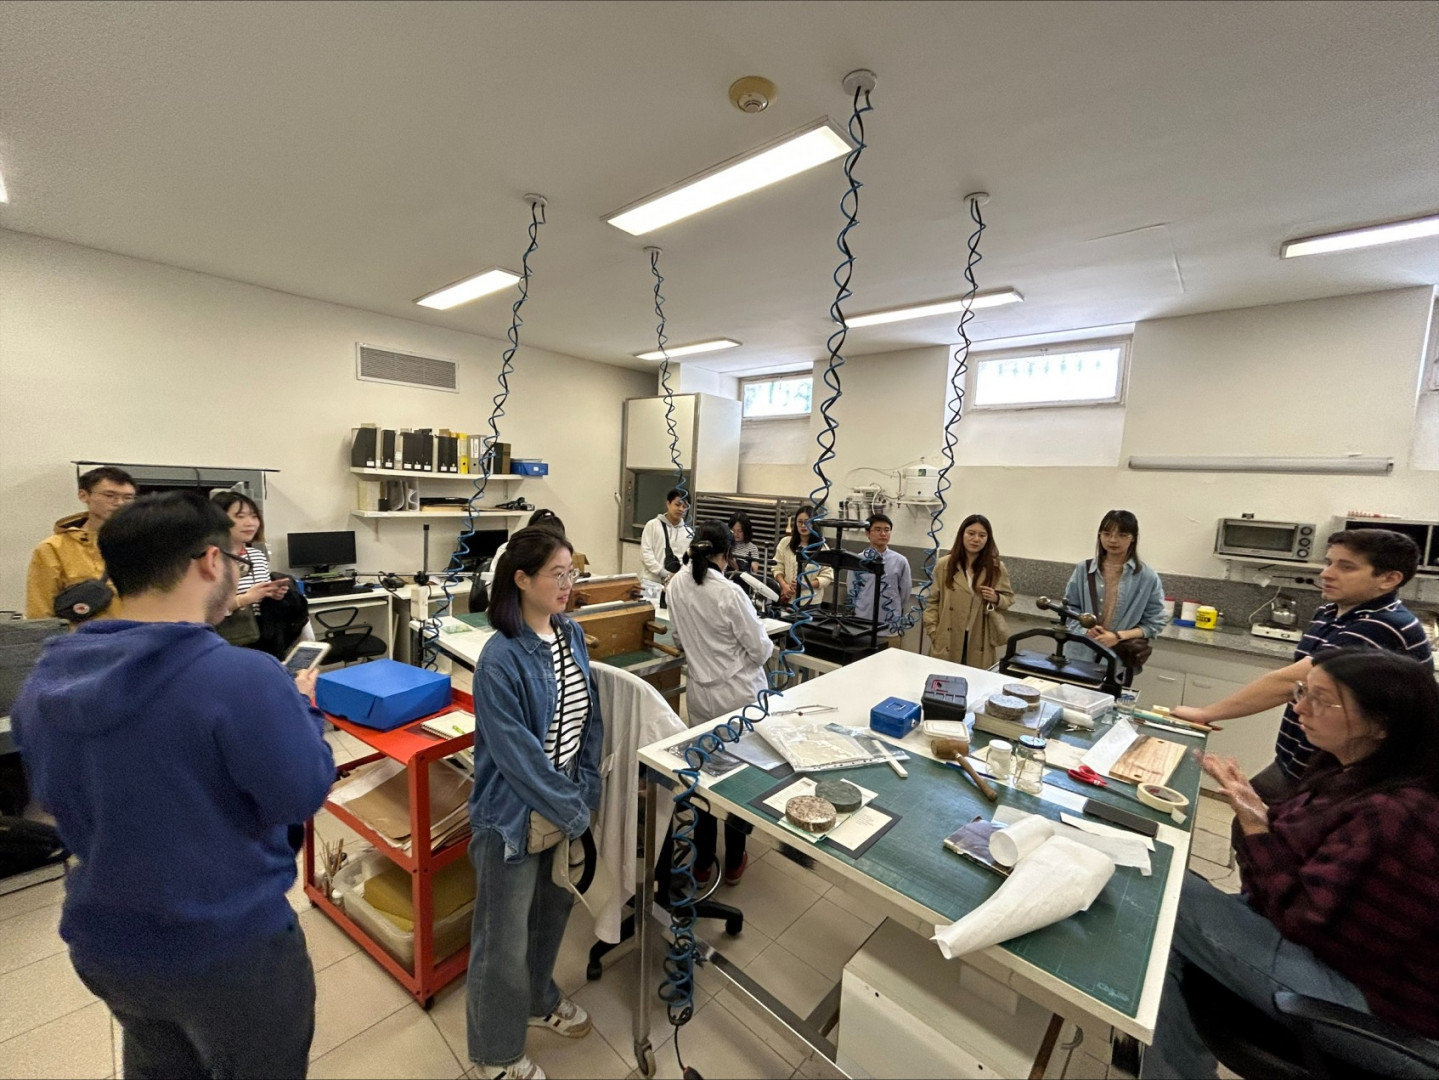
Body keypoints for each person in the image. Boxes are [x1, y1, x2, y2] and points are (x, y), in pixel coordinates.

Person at [12, 492, 335, 1079]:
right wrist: (302, 709)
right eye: (239, 558)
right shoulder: (240, 676)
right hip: (227, 948)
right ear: (212, 562)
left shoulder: (49, 676)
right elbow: (301, 794)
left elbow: (62, 798)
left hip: (106, 942)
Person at [1141, 650, 1439, 1078]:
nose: (1298, 707)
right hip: (1325, 955)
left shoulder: (1397, 813)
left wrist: (1254, 822)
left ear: (1380, 724)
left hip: (1367, 1005)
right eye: (1302, 693)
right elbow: (1286, 870)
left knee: (1165, 892)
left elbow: (1303, 918)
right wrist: (1258, 817)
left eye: (1320, 699)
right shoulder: (1347, 773)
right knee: (1172, 928)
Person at [467, 526, 602, 1080]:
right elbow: (517, 757)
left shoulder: (569, 635)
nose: (568, 584)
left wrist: (586, 790)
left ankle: (538, 1000)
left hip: (565, 800)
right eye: (557, 574)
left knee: (552, 914)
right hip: (511, 818)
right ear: (521, 580)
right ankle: (493, 1054)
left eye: (572, 572)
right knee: (502, 939)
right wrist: (574, 812)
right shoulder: (499, 660)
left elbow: (589, 721)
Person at [1170, 528, 1432, 805]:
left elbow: (1289, 682)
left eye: (1346, 567)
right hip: (1300, 761)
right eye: (1329, 562)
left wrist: (1205, 712)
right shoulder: (1330, 611)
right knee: (1250, 823)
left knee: (1272, 837)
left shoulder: (1383, 624)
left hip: (1347, 776)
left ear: (1389, 579)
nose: (1326, 574)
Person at [666, 521, 776, 886]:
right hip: (738, 697)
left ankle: (700, 862)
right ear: (727, 555)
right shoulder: (730, 593)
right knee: (737, 782)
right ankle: (733, 861)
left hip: (699, 695)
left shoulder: (676, 584)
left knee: (706, 778)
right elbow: (760, 651)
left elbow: (680, 637)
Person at [1061, 509, 1168, 676]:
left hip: (1117, 659)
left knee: (1112, 700)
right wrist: (1085, 629)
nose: (1113, 540)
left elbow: (1155, 622)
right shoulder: (1084, 569)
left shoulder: (1146, 576)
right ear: (1100, 535)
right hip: (1079, 654)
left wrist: (1117, 636)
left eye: (1122, 534)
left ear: (1133, 537)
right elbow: (1068, 610)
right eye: (1107, 533)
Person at [25, 465, 136, 620]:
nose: (119, 503)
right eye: (110, 495)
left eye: (128, 498)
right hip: (81, 641)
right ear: (84, 496)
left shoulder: (146, 545)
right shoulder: (53, 548)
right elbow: (40, 613)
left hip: (139, 639)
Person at [923, 514, 1015, 669]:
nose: (976, 539)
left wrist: (996, 598)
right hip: (948, 636)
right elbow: (932, 602)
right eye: (971, 533)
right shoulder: (945, 565)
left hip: (980, 639)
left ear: (988, 539)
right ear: (962, 535)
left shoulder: (996, 567)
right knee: (944, 683)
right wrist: (934, 632)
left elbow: (1008, 599)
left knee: (976, 685)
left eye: (982, 535)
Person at [211, 491, 298, 652]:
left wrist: (273, 593)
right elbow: (205, 610)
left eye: (253, 516)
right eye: (240, 516)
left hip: (264, 634)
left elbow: (260, 597)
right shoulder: (210, 559)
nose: (250, 523)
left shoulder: (257, 556)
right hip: (228, 640)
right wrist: (245, 599)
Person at [847, 512, 913, 644]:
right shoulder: (857, 560)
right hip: (863, 624)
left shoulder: (900, 561)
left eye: (886, 530)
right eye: (878, 530)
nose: (883, 534)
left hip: (890, 626)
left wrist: (893, 609)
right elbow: (851, 590)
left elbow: (905, 593)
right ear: (867, 533)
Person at [773, 504, 833, 606]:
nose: (803, 526)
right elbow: (777, 567)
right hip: (788, 600)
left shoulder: (822, 548)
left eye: (807, 522)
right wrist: (784, 586)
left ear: (814, 523)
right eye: (800, 522)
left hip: (811, 603)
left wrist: (805, 585)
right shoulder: (785, 543)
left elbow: (827, 577)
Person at [639, 489, 692, 587]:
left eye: (685, 507)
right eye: (677, 505)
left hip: (676, 584)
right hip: (651, 582)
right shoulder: (652, 525)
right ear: (668, 503)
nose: (681, 509)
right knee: (648, 603)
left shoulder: (688, 532)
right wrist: (664, 573)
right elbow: (646, 554)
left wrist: (679, 576)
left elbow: (688, 560)